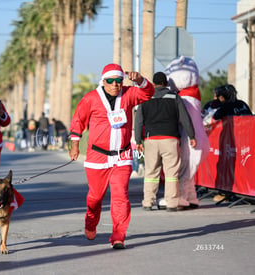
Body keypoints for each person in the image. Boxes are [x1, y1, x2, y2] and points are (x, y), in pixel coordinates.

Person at [69, 63, 154, 249]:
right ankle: (90, 223)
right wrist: (74, 145)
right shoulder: (91, 98)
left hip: (122, 156)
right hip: (97, 158)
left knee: (120, 197)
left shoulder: (129, 93)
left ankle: (118, 236)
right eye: (111, 81)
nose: (115, 84)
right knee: (95, 197)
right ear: (103, 81)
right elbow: (78, 121)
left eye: (119, 80)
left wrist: (140, 80)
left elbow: (148, 93)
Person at [134, 72, 196, 211]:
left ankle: (148, 202)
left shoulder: (145, 98)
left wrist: (138, 140)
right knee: (171, 173)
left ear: (154, 84)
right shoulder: (175, 97)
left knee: (151, 172)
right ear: (166, 83)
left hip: (151, 140)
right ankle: (172, 203)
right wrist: (192, 136)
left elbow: (138, 120)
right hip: (170, 139)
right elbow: (185, 118)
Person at [165, 56, 210, 209]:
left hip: (191, 141)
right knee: (189, 172)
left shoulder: (182, 99)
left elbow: (180, 118)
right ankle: (192, 198)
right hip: (201, 139)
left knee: (184, 170)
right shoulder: (194, 95)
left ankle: (180, 198)